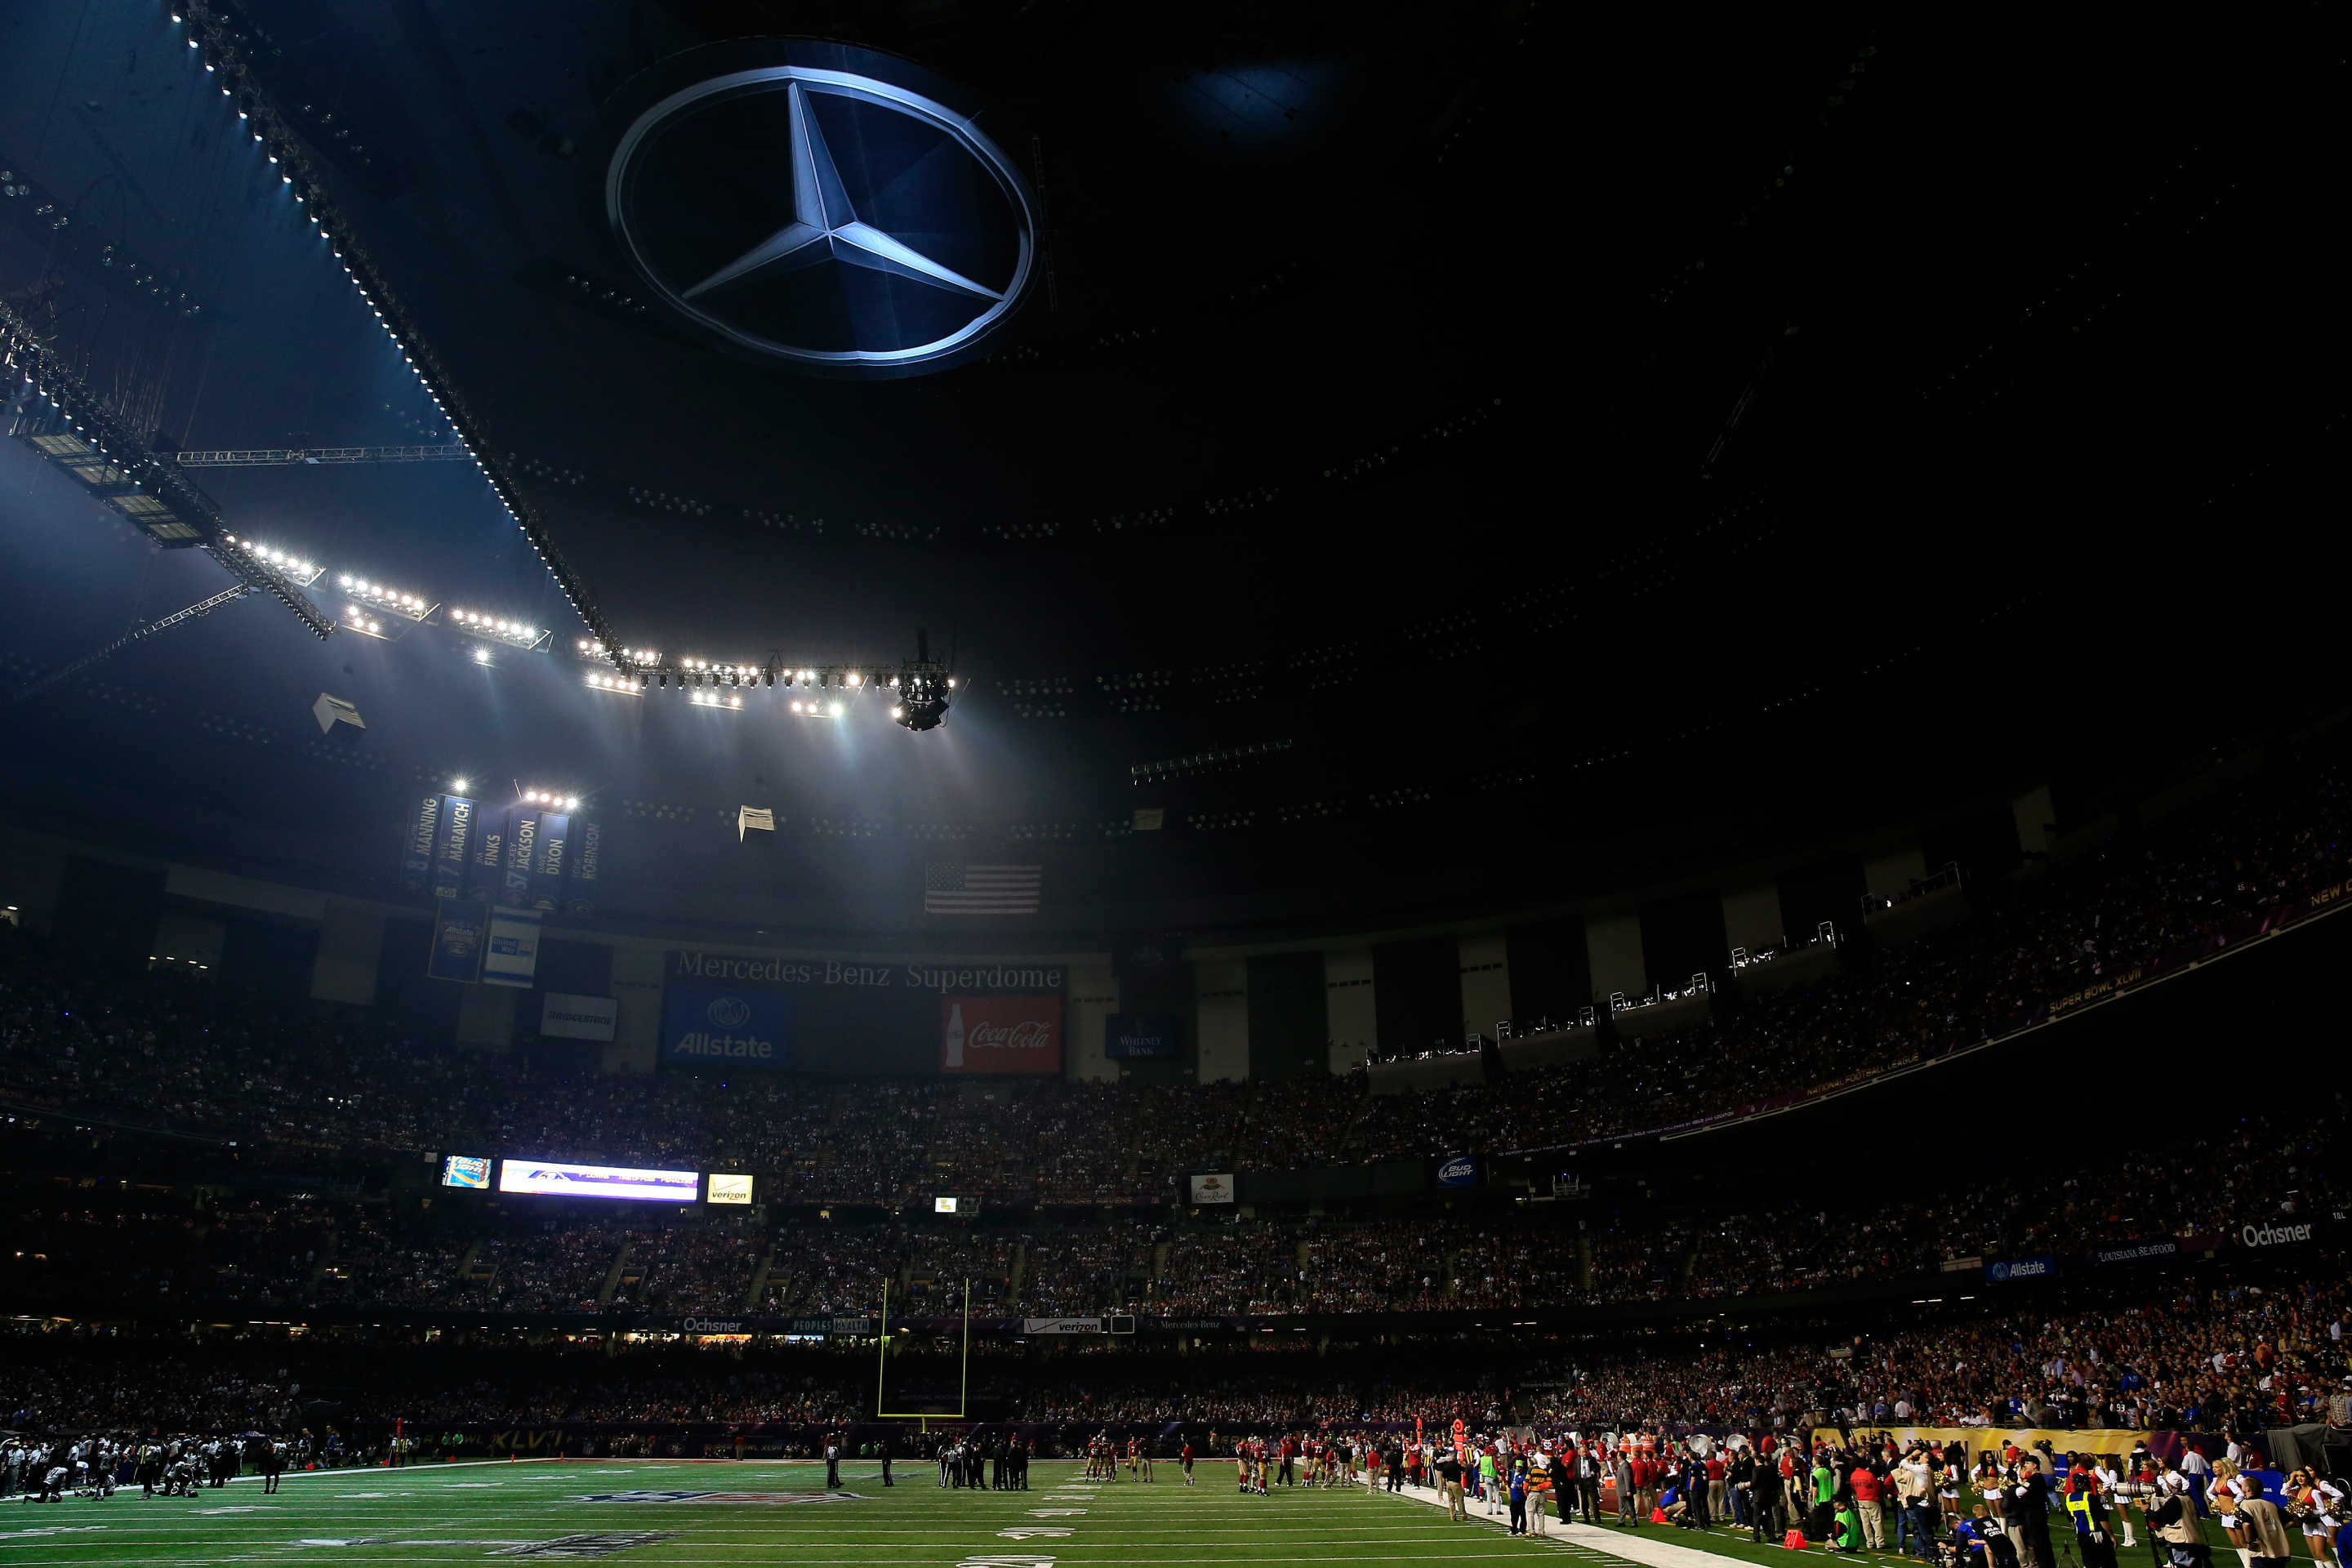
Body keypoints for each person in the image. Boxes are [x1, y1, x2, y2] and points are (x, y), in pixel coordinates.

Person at [1437, 1448, 1466, 1522]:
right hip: (1455, 1483)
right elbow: (1464, 1470)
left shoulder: (1446, 1465)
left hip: (1448, 1483)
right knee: (1460, 1500)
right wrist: (1462, 1464)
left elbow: (1444, 1475)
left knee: (1451, 1501)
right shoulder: (1457, 1465)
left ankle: (1452, 1516)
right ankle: (1463, 1515)